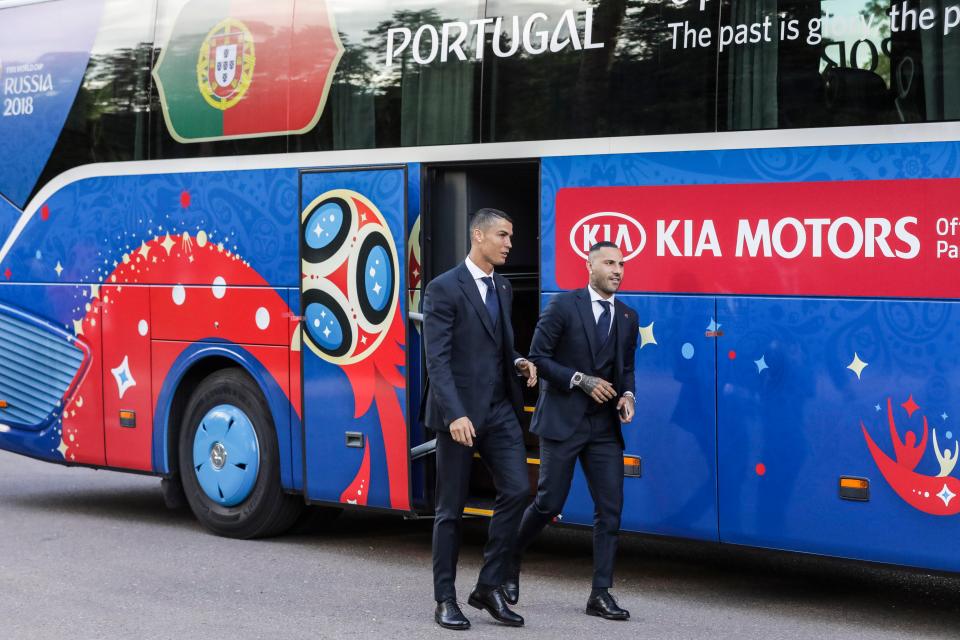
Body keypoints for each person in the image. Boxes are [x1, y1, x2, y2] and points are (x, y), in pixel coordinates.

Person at [504, 241, 638, 620]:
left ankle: (600, 593)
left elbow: (626, 369)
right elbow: (538, 358)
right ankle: (509, 557)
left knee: (611, 511)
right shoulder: (563, 306)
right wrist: (580, 380)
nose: (617, 270)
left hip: (604, 428)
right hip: (562, 422)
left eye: (621, 264)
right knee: (549, 503)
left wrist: (628, 395)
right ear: (589, 265)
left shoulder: (628, 317)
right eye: (609, 262)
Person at [422, 207, 538, 630]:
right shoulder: (443, 288)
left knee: (516, 491)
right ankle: (444, 599)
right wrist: (454, 414)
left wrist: (520, 361)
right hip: (458, 414)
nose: (510, 244)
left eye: (511, 236)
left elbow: (499, 344)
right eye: (503, 236)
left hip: (499, 409)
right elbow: (437, 359)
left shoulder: (503, 287)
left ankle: (488, 586)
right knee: (450, 510)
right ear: (478, 236)